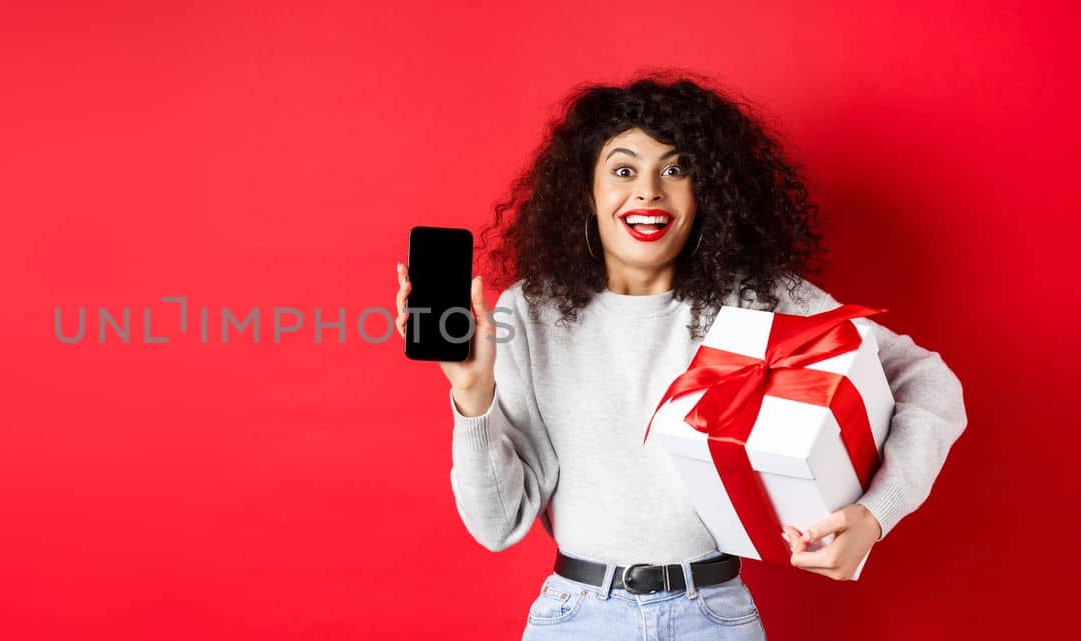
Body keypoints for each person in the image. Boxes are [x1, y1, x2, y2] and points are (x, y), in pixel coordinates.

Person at [392, 74, 967, 640]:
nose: (648, 191)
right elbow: (498, 526)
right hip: (578, 616)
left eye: (676, 169)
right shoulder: (532, 311)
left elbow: (926, 380)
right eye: (623, 170)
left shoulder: (760, 301)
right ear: (585, 195)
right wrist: (471, 395)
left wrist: (875, 514)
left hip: (713, 615)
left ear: (707, 193)